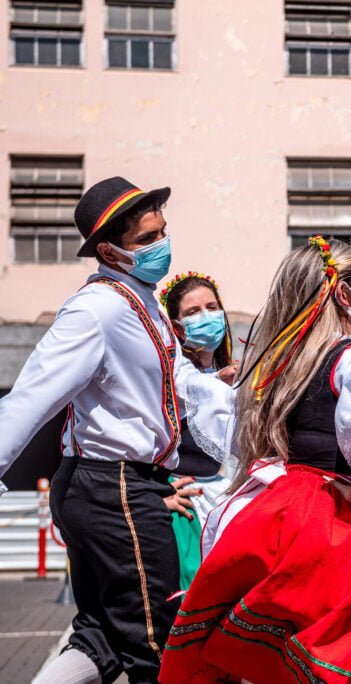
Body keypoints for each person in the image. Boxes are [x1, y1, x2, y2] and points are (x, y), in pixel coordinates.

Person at [0, 177, 234, 684]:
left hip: (122, 484)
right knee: (160, 643)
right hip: (112, 487)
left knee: (102, 634)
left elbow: (175, 380)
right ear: (109, 250)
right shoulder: (97, 309)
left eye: (162, 232)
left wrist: (219, 386)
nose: (161, 245)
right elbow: (31, 396)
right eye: (146, 239)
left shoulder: (142, 302)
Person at [160, 236, 351, 683]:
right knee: (342, 648)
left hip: (277, 507)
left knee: (276, 643)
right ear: (341, 292)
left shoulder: (279, 361)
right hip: (329, 512)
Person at [160, 272, 239, 590]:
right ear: (176, 327)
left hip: (234, 508)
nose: (206, 316)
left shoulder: (237, 374)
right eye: (193, 312)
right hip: (190, 510)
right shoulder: (169, 382)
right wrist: (158, 494)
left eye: (212, 306)